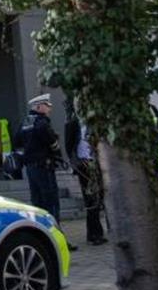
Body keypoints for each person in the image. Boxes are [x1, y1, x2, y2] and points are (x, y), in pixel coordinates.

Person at [14, 93, 77, 251]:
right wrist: (59, 158)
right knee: (51, 206)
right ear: (39, 107)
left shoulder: (24, 123)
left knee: (38, 205)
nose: (49, 109)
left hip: (31, 169)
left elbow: (17, 143)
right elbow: (53, 144)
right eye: (47, 106)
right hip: (44, 167)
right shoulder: (42, 123)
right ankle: (58, 241)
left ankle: (42, 241)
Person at [64, 98, 107, 245]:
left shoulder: (94, 124)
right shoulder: (72, 124)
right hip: (84, 165)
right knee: (90, 199)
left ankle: (94, 232)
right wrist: (75, 164)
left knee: (98, 198)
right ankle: (95, 234)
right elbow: (69, 146)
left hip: (96, 163)